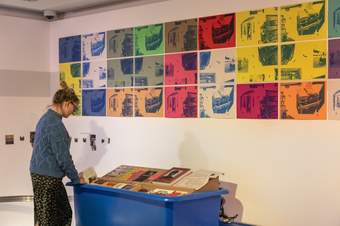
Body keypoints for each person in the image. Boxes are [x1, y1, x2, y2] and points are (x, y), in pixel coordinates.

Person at [30, 81, 84, 226]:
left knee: (43, 216)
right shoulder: (55, 125)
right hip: (48, 178)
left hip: (38, 174)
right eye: (74, 107)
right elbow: (64, 158)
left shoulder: (45, 118)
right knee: (61, 216)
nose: (73, 112)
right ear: (67, 103)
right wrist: (77, 179)